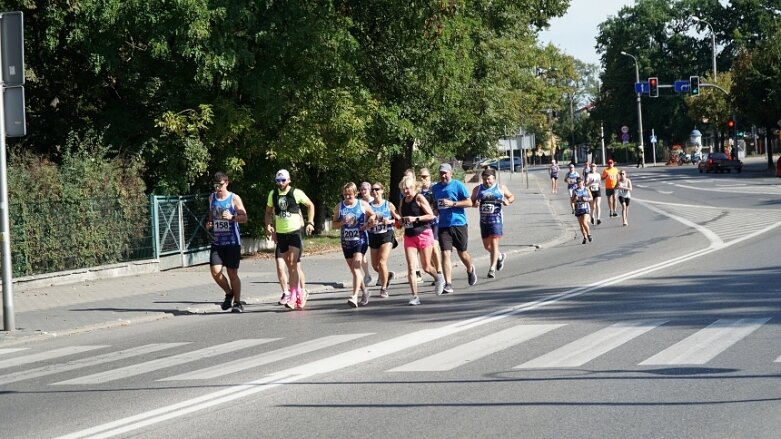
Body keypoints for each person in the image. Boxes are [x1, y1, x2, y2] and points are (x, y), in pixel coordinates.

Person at [265, 169, 315, 310]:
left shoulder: (295, 192)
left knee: (293, 264)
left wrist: (310, 222)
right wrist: (268, 226)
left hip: (294, 232)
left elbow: (310, 205)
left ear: (289, 180)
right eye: (278, 181)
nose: (280, 183)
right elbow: (268, 212)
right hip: (281, 234)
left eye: (283, 180)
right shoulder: (273, 194)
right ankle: (298, 292)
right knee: (285, 265)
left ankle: (294, 295)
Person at [399, 176, 445, 305]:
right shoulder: (403, 201)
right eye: (403, 189)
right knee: (411, 267)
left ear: (413, 187)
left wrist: (416, 219)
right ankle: (415, 296)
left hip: (424, 234)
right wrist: (399, 221)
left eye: (408, 188)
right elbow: (402, 218)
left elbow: (431, 215)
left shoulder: (419, 198)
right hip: (409, 236)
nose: (406, 191)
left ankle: (438, 277)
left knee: (426, 267)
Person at [207, 171, 248, 313]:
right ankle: (229, 292)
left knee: (232, 274)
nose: (218, 188)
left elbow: (244, 217)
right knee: (215, 272)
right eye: (215, 185)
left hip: (232, 242)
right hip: (217, 242)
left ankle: (237, 302)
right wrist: (210, 224)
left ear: (227, 183)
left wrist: (232, 217)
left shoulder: (234, 198)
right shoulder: (212, 198)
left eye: (220, 185)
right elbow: (211, 216)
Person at [432, 163, 476, 293]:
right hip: (443, 225)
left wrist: (453, 203)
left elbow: (469, 202)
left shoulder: (458, 185)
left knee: (462, 252)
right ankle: (448, 284)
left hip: (458, 223)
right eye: (441, 173)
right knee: (445, 253)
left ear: (451, 173)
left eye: (445, 173)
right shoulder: (435, 188)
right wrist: (435, 210)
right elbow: (436, 204)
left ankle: (470, 268)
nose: (443, 176)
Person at [332, 182, 377, 308]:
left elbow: (373, 214)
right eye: (345, 195)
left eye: (350, 195)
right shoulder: (339, 207)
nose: (347, 198)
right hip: (346, 242)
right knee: (354, 271)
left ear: (355, 194)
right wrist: (342, 222)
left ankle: (354, 296)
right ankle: (365, 291)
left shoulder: (361, 204)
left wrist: (369, 221)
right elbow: (333, 224)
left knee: (357, 268)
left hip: (360, 240)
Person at [470, 168, 515, 278]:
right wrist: (475, 203)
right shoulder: (477, 189)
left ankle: (492, 269)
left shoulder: (500, 188)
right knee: (487, 246)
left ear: (494, 179)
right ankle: (499, 256)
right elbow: (471, 201)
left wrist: (507, 201)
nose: (487, 181)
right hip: (484, 221)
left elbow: (512, 197)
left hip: (496, 220)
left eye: (489, 179)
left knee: (494, 244)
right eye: (484, 179)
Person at [366, 182, 400, 298]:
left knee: (382, 262)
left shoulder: (388, 205)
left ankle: (384, 288)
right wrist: (370, 223)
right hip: (373, 236)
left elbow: (399, 220)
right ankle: (387, 274)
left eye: (377, 189)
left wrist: (389, 221)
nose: (374, 192)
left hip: (386, 234)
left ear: (382, 190)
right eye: (373, 190)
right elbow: (365, 223)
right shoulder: (368, 206)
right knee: (376, 266)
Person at [418, 167, 443, 279]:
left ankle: (439, 271)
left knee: (434, 245)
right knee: (428, 248)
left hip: (435, 222)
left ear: (430, 177)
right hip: (423, 223)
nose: (423, 179)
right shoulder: (417, 191)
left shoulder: (435, 188)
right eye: (421, 177)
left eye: (425, 176)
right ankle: (435, 272)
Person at [358, 181, 374, 287]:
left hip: (375, 232)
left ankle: (383, 274)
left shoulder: (374, 201)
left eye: (365, 189)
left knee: (376, 258)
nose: (363, 192)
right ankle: (367, 275)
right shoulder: (359, 202)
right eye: (362, 189)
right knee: (362, 255)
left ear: (370, 190)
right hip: (363, 232)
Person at [570, 177, 593, 244]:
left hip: (585, 208)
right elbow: (572, 201)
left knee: (584, 222)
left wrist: (586, 199)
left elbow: (591, 198)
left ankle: (589, 235)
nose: (579, 184)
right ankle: (584, 237)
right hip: (578, 208)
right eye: (578, 183)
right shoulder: (575, 190)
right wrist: (575, 199)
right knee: (581, 224)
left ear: (583, 182)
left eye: (580, 183)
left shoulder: (586, 189)